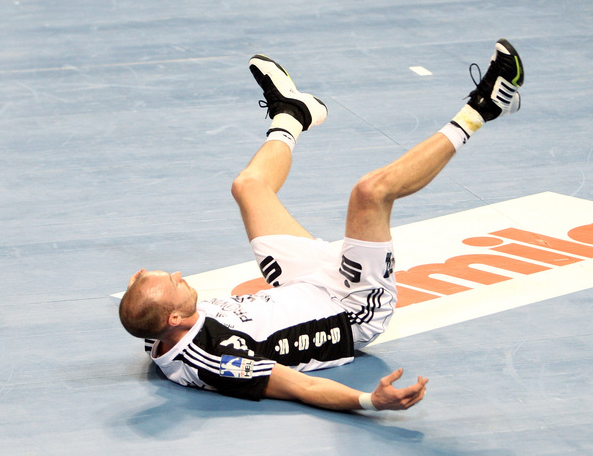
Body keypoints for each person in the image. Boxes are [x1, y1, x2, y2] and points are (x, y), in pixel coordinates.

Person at [119, 39, 524, 412]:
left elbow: (141, 312)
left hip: (301, 285)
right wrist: (369, 400)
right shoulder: (216, 360)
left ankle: (292, 113)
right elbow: (301, 387)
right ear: (174, 320)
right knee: (370, 192)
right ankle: (484, 107)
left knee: (248, 185)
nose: (179, 275)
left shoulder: (156, 328)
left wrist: (142, 287)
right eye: (173, 283)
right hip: (350, 307)